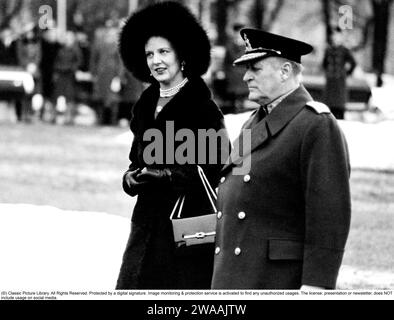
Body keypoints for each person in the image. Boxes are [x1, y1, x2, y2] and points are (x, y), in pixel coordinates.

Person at [211, 28, 351, 290]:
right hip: (238, 275)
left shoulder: (316, 125)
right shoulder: (254, 122)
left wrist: (316, 285)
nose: (246, 76)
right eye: (246, 68)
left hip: (276, 281)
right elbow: (238, 192)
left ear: (285, 71)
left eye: (256, 68)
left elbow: (329, 215)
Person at [116, 1, 229, 289]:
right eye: (149, 54)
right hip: (144, 226)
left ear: (182, 55)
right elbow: (136, 159)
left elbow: (218, 169)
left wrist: (169, 176)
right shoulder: (145, 105)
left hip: (185, 229)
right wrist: (131, 177)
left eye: (164, 51)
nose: (156, 60)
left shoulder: (203, 108)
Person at [323, 26, 356, 120]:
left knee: (339, 106)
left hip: (340, 81)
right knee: (329, 106)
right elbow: (324, 63)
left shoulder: (344, 50)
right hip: (330, 81)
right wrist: (328, 72)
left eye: (337, 35)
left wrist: (347, 73)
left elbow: (353, 63)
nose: (335, 37)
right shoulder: (328, 50)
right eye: (333, 35)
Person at [52, 31, 82, 124]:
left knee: (70, 96)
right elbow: (56, 61)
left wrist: (71, 68)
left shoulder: (75, 50)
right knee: (59, 95)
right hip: (61, 75)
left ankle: (69, 117)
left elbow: (79, 62)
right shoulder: (61, 50)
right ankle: (57, 116)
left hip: (70, 76)